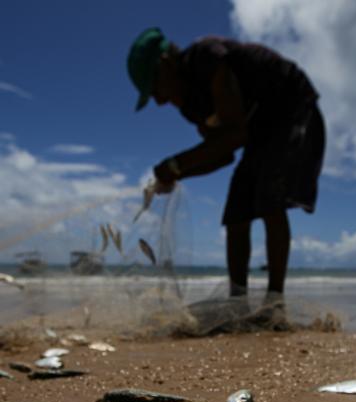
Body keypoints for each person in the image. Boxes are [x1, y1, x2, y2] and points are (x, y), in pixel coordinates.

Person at [127, 27, 325, 325]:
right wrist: (178, 173)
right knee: (236, 213)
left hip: (292, 110)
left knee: (270, 200)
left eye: (155, 87)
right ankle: (238, 301)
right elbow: (221, 155)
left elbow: (233, 135)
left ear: (166, 62)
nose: (159, 100)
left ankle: (274, 303)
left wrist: (175, 163)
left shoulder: (206, 58)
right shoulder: (192, 107)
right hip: (258, 132)